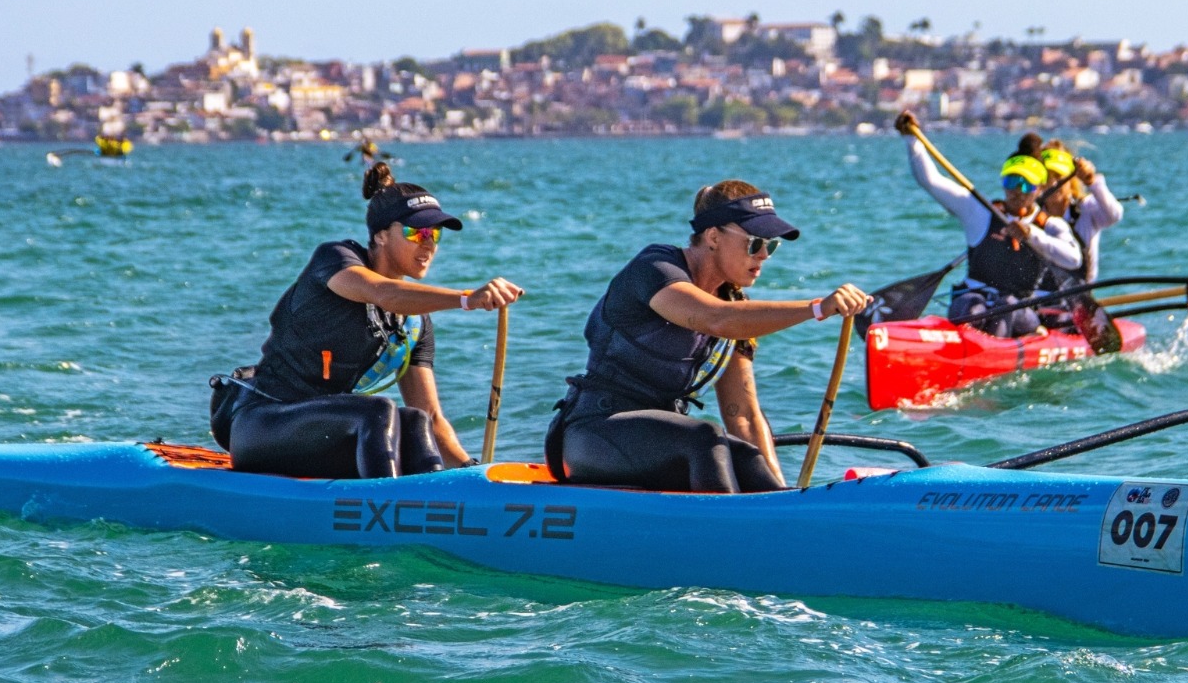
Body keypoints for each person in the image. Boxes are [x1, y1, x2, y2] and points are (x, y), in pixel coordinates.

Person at [545, 181, 870, 493]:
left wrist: (784, 497)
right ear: (713, 236)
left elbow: (742, 414)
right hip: (594, 434)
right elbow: (714, 318)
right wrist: (817, 308)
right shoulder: (654, 269)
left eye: (771, 245)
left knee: (746, 455)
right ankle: (729, 539)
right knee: (705, 437)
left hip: (664, 441)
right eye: (755, 242)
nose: (764, 255)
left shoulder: (735, 309)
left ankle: (783, 525)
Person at [213, 160, 523, 479]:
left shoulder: (413, 323)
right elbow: (383, 293)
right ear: (381, 236)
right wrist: (466, 299)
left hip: (323, 438)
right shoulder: (335, 261)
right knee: (379, 411)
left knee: (415, 421)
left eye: (435, 235)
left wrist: (473, 472)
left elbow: (431, 415)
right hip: (262, 426)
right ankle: (387, 509)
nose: (428, 244)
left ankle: (435, 500)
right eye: (416, 232)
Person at [893, 111, 1082, 337]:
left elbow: (1073, 259)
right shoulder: (980, 212)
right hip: (974, 303)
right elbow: (931, 181)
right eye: (1012, 182)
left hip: (1020, 311)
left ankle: (997, 355)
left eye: (1026, 186)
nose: (1017, 192)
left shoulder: (1051, 226)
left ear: (1039, 189)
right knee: (970, 306)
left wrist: (1031, 235)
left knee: (1007, 305)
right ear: (1003, 183)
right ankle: (972, 350)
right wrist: (911, 140)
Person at [1036, 142, 1124, 283]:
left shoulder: (1087, 207)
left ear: (1071, 179)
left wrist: (1092, 182)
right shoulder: (1032, 215)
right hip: (1042, 296)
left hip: (1081, 294)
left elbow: (1114, 215)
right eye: (1046, 177)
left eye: (1058, 176)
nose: (1052, 184)